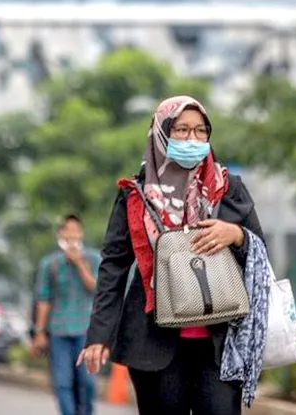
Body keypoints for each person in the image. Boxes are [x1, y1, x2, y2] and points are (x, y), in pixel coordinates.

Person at [78, 95, 266, 415]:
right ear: (161, 133)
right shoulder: (135, 193)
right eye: (181, 130)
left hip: (219, 342)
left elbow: (259, 250)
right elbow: (113, 267)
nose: (192, 139)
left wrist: (236, 235)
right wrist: (99, 335)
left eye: (200, 131)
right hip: (153, 343)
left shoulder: (228, 186)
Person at [31, 214, 102, 415]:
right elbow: (43, 299)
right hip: (58, 329)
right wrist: (39, 332)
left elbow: (97, 290)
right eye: (67, 230)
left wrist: (79, 263)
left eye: (76, 230)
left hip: (86, 330)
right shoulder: (50, 263)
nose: (72, 234)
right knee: (62, 382)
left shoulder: (94, 258)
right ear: (60, 234)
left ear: (81, 234)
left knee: (87, 381)